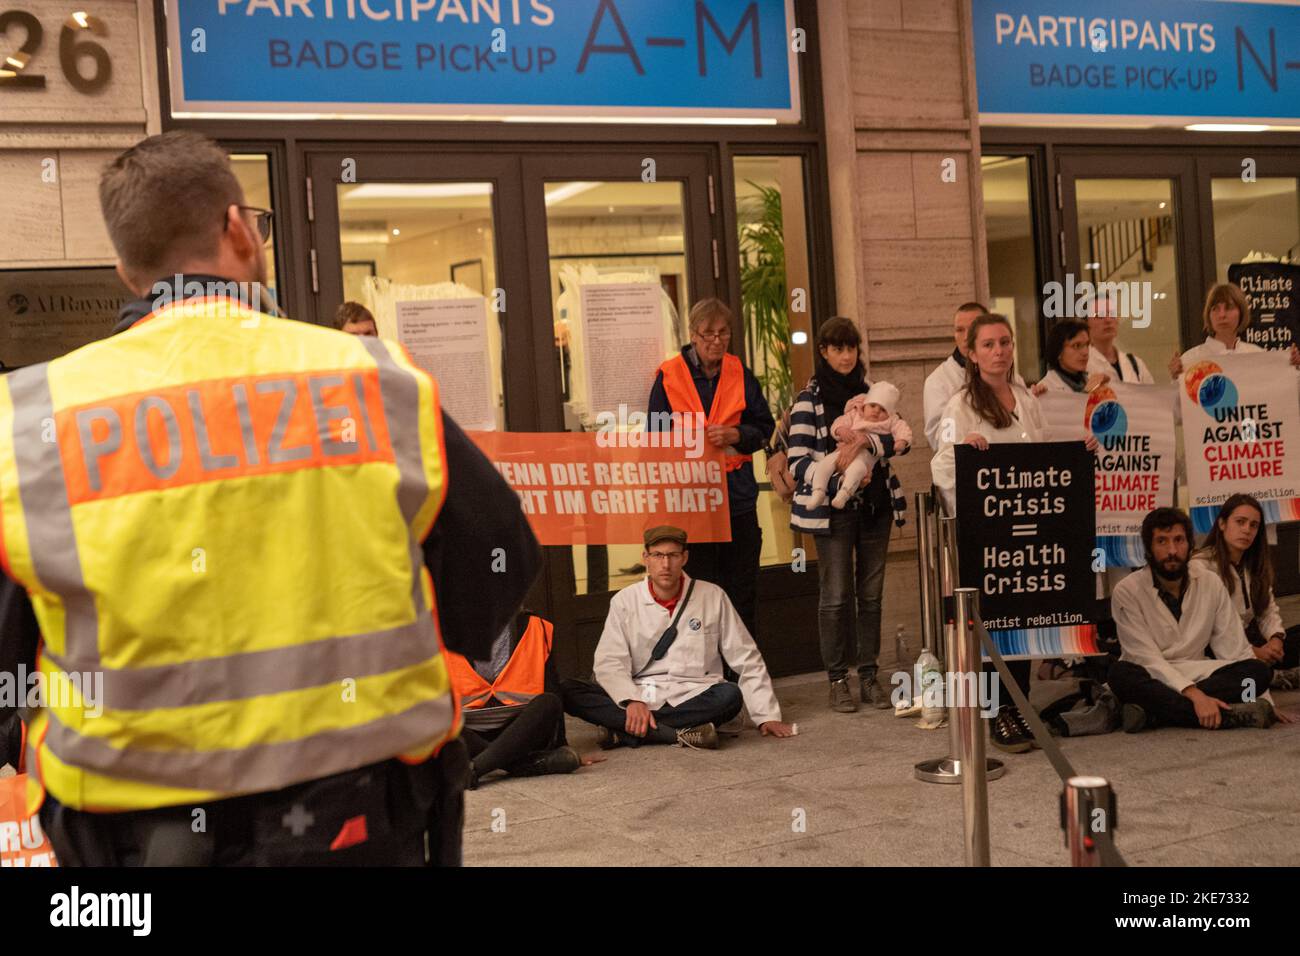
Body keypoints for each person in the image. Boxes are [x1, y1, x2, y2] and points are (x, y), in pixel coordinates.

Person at [0, 131, 541, 866]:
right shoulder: (370, 381)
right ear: (238, 231)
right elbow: (498, 563)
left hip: (131, 844)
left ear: (128, 269)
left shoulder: (30, 420)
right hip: (360, 822)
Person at [931, 313, 1097, 752]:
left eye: (1004, 342)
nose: (998, 351)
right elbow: (942, 465)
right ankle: (996, 714)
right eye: (987, 344)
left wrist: (1079, 454)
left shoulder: (1027, 398)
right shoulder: (959, 404)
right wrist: (968, 453)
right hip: (988, 535)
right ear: (971, 353)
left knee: (1023, 619)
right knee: (994, 624)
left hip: (1029, 529)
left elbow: (1040, 459)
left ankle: (1018, 706)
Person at [561, 526, 795, 749]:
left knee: (730, 696)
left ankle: (626, 731)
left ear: (684, 558)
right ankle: (676, 733)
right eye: (658, 555)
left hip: (693, 693)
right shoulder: (625, 600)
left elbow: (745, 656)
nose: (665, 564)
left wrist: (767, 716)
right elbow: (609, 661)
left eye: (673, 555)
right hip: (641, 690)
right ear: (646, 558)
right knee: (569, 690)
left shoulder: (712, 595)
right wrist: (632, 701)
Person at [788, 317, 909, 713]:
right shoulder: (810, 398)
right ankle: (838, 678)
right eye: (837, 348)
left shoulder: (873, 394)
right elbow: (796, 461)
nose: (845, 356)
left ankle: (870, 676)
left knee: (870, 596)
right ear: (823, 352)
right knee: (837, 596)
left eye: (851, 348)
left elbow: (899, 439)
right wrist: (836, 467)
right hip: (832, 510)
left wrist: (869, 440)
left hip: (875, 505)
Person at [648, 298, 774, 641]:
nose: (716, 341)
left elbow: (765, 428)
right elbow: (655, 438)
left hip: (737, 502)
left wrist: (737, 434)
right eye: (708, 335)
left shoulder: (740, 373)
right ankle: (705, 679)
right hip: (693, 505)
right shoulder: (669, 376)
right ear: (693, 334)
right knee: (697, 595)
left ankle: (741, 679)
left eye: (723, 333)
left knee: (741, 594)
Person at [1110, 508, 1279, 732]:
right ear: (1148, 549)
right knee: (1120, 674)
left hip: (1198, 671)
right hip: (1150, 674)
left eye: (1179, 540)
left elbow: (1235, 649)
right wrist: (1194, 695)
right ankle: (1227, 716)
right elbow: (1145, 657)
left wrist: (1265, 701)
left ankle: (1154, 713)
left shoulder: (1210, 582)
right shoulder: (1127, 590)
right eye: (1162, 541)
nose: (1172, 550)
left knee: (1257, 673)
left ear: (1190, 545)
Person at [446, 610, 603, 788]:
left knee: (549, 702)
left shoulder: (534, 626)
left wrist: (562, 746)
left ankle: (475, 769)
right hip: (470, 731)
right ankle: (521, 764)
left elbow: (551, 686)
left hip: (522, 730)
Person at [1191, 495, 1300, 692]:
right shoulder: (1201, 566)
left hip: (1253, 640)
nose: (1247, 530)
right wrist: (1253, 653)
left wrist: (1275, 639)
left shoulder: (1254, 563)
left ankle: (1271, 672)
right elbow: (1211, 631)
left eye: (1253, 525)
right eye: (1240, 522)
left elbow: (1267, 610)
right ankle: (1266, 681)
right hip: (1218, 648)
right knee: (1250, 671)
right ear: (1222, 524)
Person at [922, 301, 1025, 450]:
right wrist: (965, 444)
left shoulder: (1016, 382)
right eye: (959, 330)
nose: (965, 337)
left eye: (972, 329)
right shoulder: (939, 382)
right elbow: (940, 439)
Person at [807, 382, 911, 511]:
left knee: (857, 470)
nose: (876, 411)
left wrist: (901, 441)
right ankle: (818, 491)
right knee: (824, 464)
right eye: (873, 406)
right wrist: (840, 430)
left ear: (889, 413)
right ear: (865, 405)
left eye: (883, 409)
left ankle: (844, 494)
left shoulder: (891, 421)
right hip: (842, 450)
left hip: (864, 458)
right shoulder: (855, 413)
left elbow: (903, 429)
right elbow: (838, 422)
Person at [1086, 297, 1155, 384]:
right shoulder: (1082, 365)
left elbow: (1153, 395)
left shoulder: (1135, 363)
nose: (1108, 320)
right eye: (1099, 315)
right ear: (1086, 324)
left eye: (1112, 314)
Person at [1033, 319, 1109, 395]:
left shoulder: (1091, 381)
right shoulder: (1046, 389)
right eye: (1077, 345)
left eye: (1087, 344)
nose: (1085, 352)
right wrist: (1086, 392)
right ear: (1058, 351)